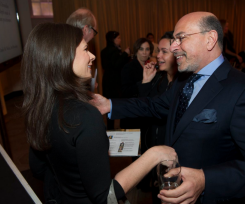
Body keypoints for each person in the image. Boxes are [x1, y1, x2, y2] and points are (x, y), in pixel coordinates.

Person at [89, 12, 245, 204]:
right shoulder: (183, 80)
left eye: (180, 38)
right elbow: (154, 105)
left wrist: (205, 180)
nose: (174, 46)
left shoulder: (244, 91)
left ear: (210, 39)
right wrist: (109, 105)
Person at [21, 23, 177, 204]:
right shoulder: (85, 115)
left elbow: (39, 169)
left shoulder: (39, 106)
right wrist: (154, 155)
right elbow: (105, 196)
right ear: (64, 57)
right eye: (85, 49)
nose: (92, 56)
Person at [139, 31, 178, 204]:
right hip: (154, 153)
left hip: (173, 157)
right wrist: (146, 81)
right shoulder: (159, 79)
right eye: (158, 51)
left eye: (164, 51)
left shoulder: (183, 84)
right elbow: (144, 109)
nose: (158, 56)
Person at [120, 38, 153, 129]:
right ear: (136, 50)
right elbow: (125, 91)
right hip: (132, 112)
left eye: (147, 49)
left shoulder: (150, 67)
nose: (144, 52)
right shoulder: (128, 67)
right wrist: (143, 84)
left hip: (145, 112)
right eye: (141, 49)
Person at [101, 31, 130, 129]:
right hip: (114, 82)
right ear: (112, 40)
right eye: (118, 38)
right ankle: (116, 128)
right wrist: (125, 54)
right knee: (115, 104)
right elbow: (116, 65)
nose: (120, 40)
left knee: (108, 104)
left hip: (106, 80)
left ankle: (109, 128)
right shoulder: (114, 51)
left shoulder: (103, 51)